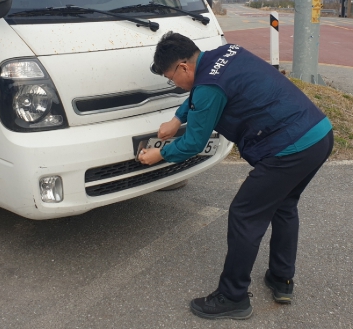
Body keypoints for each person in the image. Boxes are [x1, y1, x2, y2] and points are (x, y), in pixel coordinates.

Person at [138, 32, 333, 321]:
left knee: (244, 214)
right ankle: (281, 280)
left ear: (183, 67)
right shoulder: (228, 52)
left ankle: (232, 297)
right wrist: (178, 118)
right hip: (318, 134)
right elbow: (203, 89)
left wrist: (160, 154)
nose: (174, 84)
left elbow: (193, 143)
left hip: (288, 149)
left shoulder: (207, 88)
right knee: (284, 205)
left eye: (171, 78)